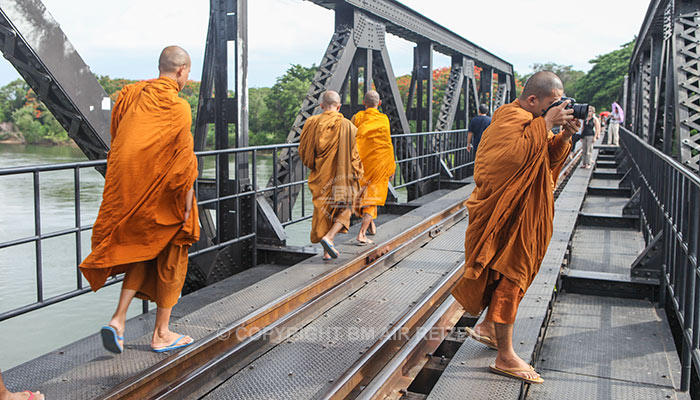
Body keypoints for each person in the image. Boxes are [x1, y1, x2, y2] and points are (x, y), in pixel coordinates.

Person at [451, 71, 579, 384]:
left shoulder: (535, 122)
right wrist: (546, 123)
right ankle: (505, 356)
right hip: (502, 214)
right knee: (510, 278)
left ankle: (488, 328)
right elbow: (505, 163)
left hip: (524, 214)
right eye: (553, 104)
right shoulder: (511, 118)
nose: (557, 108)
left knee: (511, 277)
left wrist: (563, 135)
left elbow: (546, 161)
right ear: (533, 99)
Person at [79, 46, 200, 354]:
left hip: (135, 192)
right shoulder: (178, 107)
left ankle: (118, 320)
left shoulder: (130, 96)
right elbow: (184, 161)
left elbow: (119, 141)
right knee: (172, 257)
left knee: (141, 251)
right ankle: (161, 334)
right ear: (182, 71)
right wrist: (187, 202)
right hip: (168, 196)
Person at [299, 90, 364, 260]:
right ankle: (329, 237)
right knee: (348, 206)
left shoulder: (311, 123)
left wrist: (314, 165)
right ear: (339, 106)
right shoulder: (347, 126)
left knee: (323, 209)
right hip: (341, 177)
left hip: (320, 175)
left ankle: (327, 252)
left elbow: (304, 152)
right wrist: (358, 172)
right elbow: (353, 155)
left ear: (321, 106)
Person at [351, 90, 395, 245]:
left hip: (362, 164)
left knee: (364, 194)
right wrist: (391, 167)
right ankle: (362, 234)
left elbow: (352, 138)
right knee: (372, 198)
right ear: (380, 103)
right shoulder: (384, 119)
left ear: (364, 103)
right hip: (379, 163)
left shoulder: (358, 117)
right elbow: (387, 144)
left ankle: (370, 225)